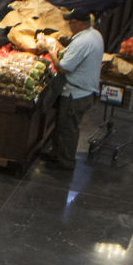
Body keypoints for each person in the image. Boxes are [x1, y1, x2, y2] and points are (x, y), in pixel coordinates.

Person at [47, 10, 103, 170]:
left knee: (68, 129)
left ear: (82, 23)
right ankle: (57, 154)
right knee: (63, 126)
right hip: (86, 91)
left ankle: (65, 162)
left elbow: (63, 68)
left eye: (71, 22)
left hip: (75, 94)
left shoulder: (82, 42)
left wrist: (53, 54)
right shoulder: (95, 35)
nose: (69, 25)